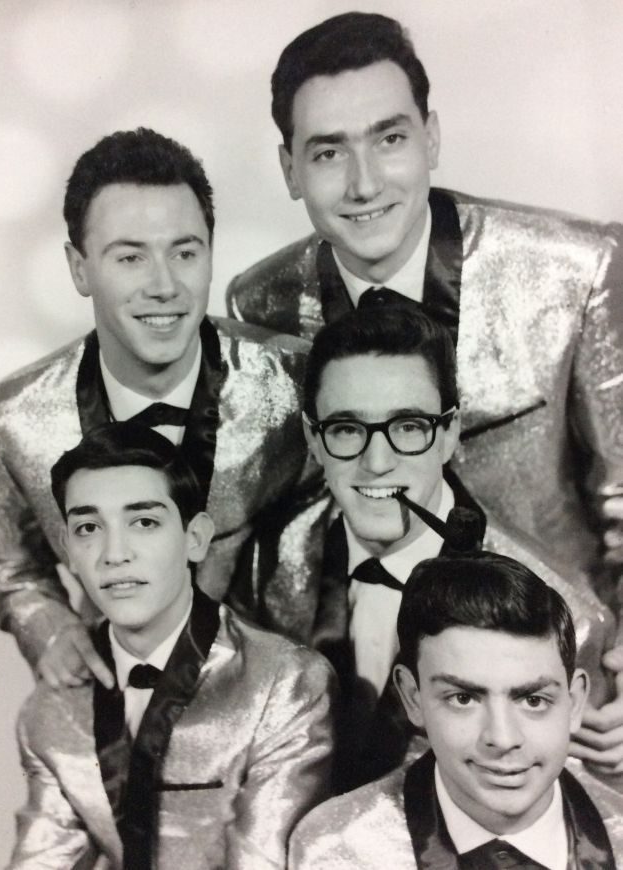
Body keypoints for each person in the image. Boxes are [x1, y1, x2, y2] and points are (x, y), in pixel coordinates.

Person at [225, 11, 623, 624]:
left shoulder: (579, 268)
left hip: (562, 642)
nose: (364, 184)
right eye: (329, 152)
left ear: (430, 139)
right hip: (363, 642)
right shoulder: (258, 305)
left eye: (389, 140)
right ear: (290, 171)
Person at [0, 127, 326, 690]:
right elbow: (7, 563)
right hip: (120, 699)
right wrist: (48, 629)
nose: (164, 285)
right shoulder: (7, 418)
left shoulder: (298, 379)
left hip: (290, 690)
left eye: (184, 252)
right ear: (79, 268)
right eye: (130, 257)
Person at [230, 306, 620, 789]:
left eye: (408, 427)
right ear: (314, 437)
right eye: (347, 429)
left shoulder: (564, 620)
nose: (377, 462)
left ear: (449, 433)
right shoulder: (266, 563)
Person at [7, 422, 335, 870]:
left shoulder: (286, 683)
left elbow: (263, 862)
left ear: (195, 538)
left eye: (144, 522)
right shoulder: (53, 707)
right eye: (88, 527)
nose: (114, 553)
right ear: (68, 549)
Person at [289, 554, 623, 869]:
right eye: (463, 699)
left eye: (533, 700)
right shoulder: (336, 849)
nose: (502, 738)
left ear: (574, 702)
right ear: (413, 698)